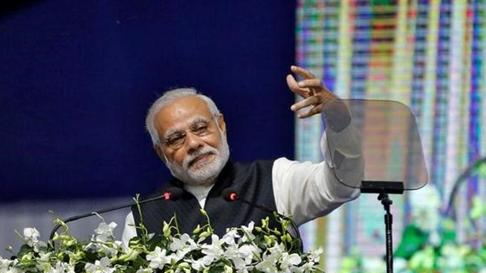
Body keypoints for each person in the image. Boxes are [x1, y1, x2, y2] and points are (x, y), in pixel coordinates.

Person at [122, 65, 363, 244]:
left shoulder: (275, 180)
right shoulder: (142, 218)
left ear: (221, 126)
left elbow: (342, 186)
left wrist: (339, 121)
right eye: (176, 139)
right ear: (160, 152)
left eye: (200, 128)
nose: (193, 143)